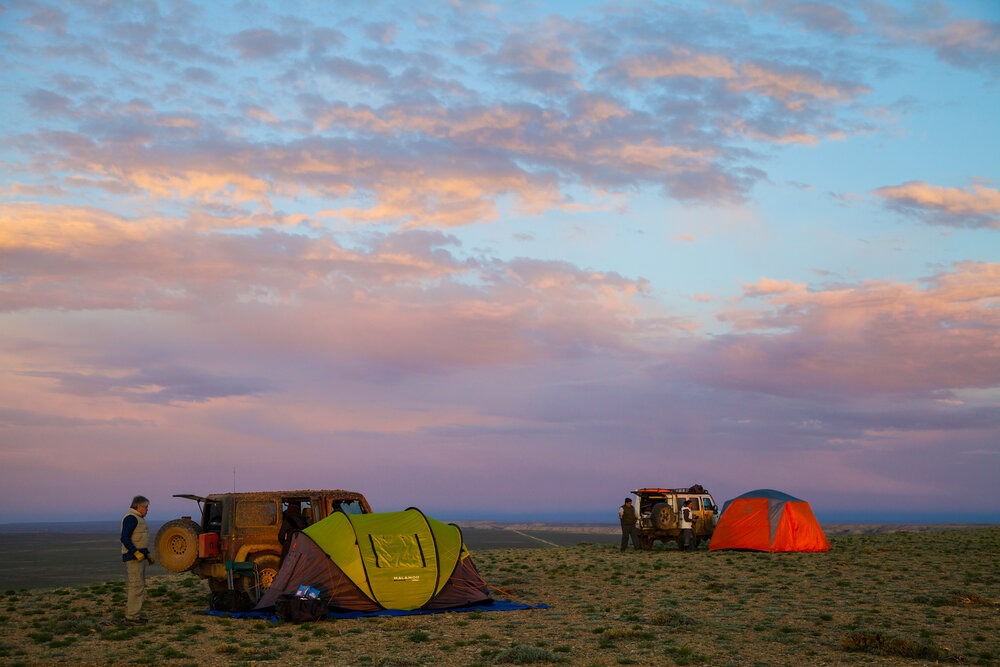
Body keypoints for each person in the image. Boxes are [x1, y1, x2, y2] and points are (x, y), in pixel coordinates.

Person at [120, 495, 154, 624]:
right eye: (146, 507)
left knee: (138, 585)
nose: (147, 510)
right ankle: (132, 617)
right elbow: (125, 538)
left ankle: (134, 615)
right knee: (136, 586)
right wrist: (135, 552)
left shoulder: (138, 519)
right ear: (139, 506)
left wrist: (147, 554)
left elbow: (139, 540)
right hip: (133, 558)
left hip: (139, 557)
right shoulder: (131, 518)